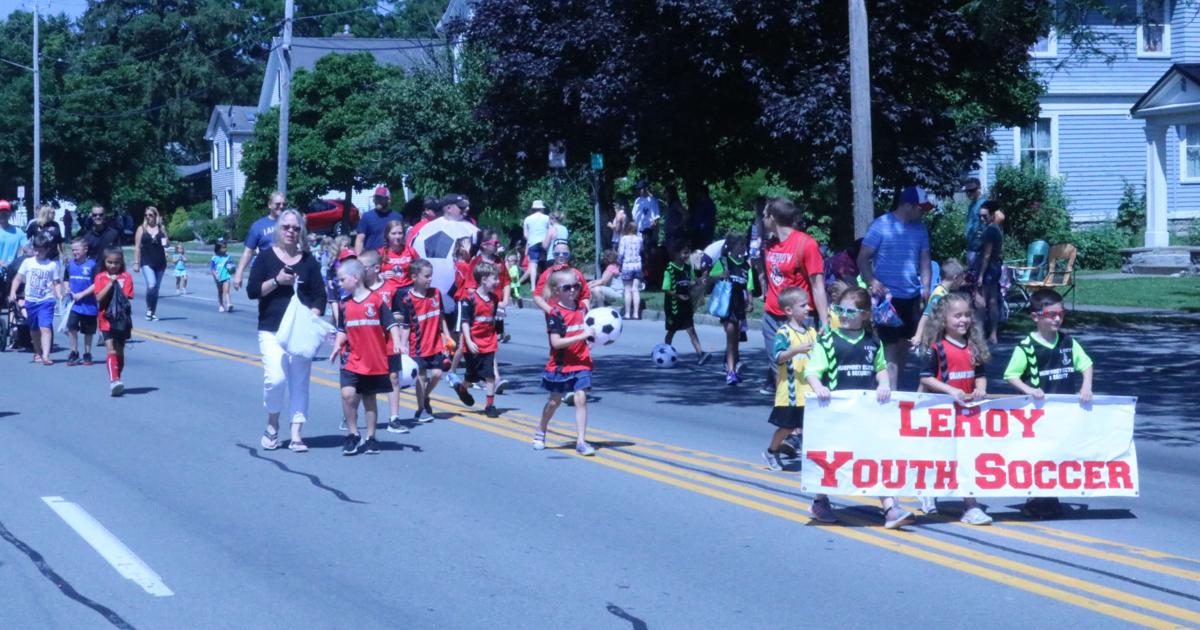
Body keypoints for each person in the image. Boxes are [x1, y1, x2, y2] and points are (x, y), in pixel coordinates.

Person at [806, 287, 911, 527]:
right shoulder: (828, 341)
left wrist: (884, 383)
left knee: (874, 455)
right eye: (840, 310)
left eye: (850, 311)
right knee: (833, 458)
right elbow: (812, 371)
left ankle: (890, 507)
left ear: (864, 315)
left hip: (865, 411)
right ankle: (820, 501)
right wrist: (818, 387)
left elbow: (880, 368)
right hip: (835, 412)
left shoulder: (872, 342)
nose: (843, 315)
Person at [1004, 288, 1095, 519]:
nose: (1057, 319)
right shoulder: (1026, 347)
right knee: (1040, 455)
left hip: (1064, 412)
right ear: (1036, 317)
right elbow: (1011, 375)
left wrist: (1086, 386)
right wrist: (1029, 390)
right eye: (1051, 314)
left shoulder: (1067, 342)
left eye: (1061, 314)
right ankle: (1035, 498)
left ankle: (1051, 496)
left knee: (1059, 453)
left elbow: (1086, 364)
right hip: (1037, 415)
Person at [246, 209, 326, 453]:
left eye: (296, 228)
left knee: (300, 383)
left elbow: (320, 295)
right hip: (272, 329)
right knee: (276, 379)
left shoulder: (308, 261)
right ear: (278, 230)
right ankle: (272, 423)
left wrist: (313, 316)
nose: (291, 231)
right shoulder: (266, 257)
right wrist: (277, 281)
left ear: (301, 231)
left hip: (300, 332)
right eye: (286, 227)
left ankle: (296, 433)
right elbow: (252, 291)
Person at [918, 292, 993, 525]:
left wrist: (980, 388)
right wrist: (950, 390)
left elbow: (980, 374)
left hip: (967, 413)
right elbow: (926, 377)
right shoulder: (936, 348)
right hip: (941, 411)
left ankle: (971, 506)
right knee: (939, 456)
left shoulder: (974, 346)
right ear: (943, 319)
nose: (963, 320)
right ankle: (928, 491)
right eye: (957, 316)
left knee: (967, 458)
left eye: (967, 315)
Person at [857, 185, 933, 389]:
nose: (923, 213)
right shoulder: (881, 225)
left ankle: (893, 386)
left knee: (904, 344)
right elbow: (863, 258)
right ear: (908, 206)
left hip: (911, 295)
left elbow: (925, 259)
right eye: (921, 208)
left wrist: (926, 287)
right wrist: (872, 281)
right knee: (889, 345)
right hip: (887, 298)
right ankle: (891, 391)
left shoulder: (920, 228)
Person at [329, 258, 401, 456]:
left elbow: (391, 323)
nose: (339, 283)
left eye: (342, 279)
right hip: (351, 358)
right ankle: (353, 434)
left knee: (369, 399)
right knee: (347, 395)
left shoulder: (376, 301)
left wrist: (397, 342)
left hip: (372, 360)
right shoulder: (344, 304)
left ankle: (370, 437)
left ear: (355, 277)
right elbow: (342, 329)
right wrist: (336, 346)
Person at [761, 197, 828, 394]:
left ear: (772, 218)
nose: (762, 220)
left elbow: (817, 285)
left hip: (800, 319)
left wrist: (824, 322)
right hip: (772, 318)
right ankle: (785, 408)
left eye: (764, 215)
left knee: (804, 372)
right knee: (779, 370)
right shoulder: (769, 245)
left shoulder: (806, 244)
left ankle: (805, 412)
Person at [533, 269, 597, 456]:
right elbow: (556, 343)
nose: (573, 290)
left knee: (581, 398)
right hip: (561, 365)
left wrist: (594, 338)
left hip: (581, 362)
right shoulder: (555, 314)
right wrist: (582, 336)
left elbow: (592, 330)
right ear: (556, 291)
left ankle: (581, 442)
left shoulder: (583, 309)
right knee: (554, 402)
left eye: (576, 286)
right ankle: (541, 428)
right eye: (567, 287)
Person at [761, 288, 816, 471]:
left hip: (808, 390)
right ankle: (771, 451)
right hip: (791, 392)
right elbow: (778, 357)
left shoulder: (811, 332)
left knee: (809, 426)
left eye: (808, 304)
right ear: (789, 310)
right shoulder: (784, 332)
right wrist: (795, 350)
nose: (808, 308)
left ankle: (812, 459)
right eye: (803, 305)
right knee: (787, 427)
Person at [396, 258, 453, 424]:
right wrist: (403, 346)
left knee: (437, 374)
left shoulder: (436, 294)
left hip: (435, 344)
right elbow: (406, 325)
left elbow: (441, 317)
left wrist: (447, 337)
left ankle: (425, 396)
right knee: (421, 377)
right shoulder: (408, 300)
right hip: (418, 346)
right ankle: (421, 409)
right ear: (414, 277)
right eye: (427, 276)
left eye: (431, 275)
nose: (430, 279)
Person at [9, 233, 63, 364]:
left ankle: (46, 355)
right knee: (34, 329)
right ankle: (38, 352)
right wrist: (12, 292)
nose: (38, 252)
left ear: (47, 249)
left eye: (41, 250)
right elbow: (18, 278)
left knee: (45, 327)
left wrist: (59, 294)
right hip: (31, 301)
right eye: (36, 249)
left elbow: (56, 282)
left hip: (46, 300)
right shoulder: (27, 262)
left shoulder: (51, 265)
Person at [710, 232, 754, 385]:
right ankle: (730, 371)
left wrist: (750, 302)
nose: (744, 247)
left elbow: (749, 286)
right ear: (733, 246)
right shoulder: (723, 262)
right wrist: (720, 275)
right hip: (727, 304)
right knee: (730, 338)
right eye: (741, 244)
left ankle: (732, 367)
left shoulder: (746, 266)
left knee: (736, 339)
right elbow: (709, 278)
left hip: (739, 305)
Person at [461, 262, 502, 418]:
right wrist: (469, 341)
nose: (498, 281)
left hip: (489, 342)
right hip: (473, 343)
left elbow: (494, 319)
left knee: (489, 374)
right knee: (472, 376)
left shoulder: (494, 299)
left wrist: (498, 332)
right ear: (483, 279)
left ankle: (490, 405)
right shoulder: (469, 299)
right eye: (494, 278)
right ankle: (463, 388)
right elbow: (465, 322)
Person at [94, 248, 133, 395]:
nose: (113, 265)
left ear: (121, 263)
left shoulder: (126, 277)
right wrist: (110, 284)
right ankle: (114, 380)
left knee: (119, 352)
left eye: (116, 263)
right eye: (109, 262)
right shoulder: (100, 277)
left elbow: (126, 297)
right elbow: (98, 298)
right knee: (110, 349)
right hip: (105, 318)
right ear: (104, 262)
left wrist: (118, 283)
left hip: (121, 319)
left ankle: (117, 376)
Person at [663, 245, 711, 364]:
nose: (687, 256)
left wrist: (699, 281)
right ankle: (665, 352)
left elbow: (691, 282)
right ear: (676, 254)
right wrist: (678, 295)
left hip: (686, 305)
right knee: (671, 331)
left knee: (691, 330)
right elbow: (666, 289)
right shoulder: (669, 269)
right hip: (673, 306)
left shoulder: (688, 268)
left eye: (688, 253)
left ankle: (700, 354)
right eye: (684, 253)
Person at [233, 191, 285, 291]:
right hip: (266, 274)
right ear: (270, 205)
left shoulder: (290, 223)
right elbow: (248, 252)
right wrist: (239, 273)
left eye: (283, 204)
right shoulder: (258, 226)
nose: (281, 206)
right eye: (278, 204)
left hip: (286, 272)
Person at [910, 258, 966, 348]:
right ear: (955, 278)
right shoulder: (939, 295)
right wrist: (918, 336)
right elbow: (926, 315)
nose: (962, 282)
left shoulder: (945, 292)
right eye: (961, 279)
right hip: (933, 337)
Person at [64, 238, 98, 366]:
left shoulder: (92, 265)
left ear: (85, 249)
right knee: (72, 326)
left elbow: (96, 284)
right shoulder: (70, 264)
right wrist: (67, 288)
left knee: (88, 330)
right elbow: (66, 279)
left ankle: (87, 353)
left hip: (89, 305)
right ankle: (74, 351)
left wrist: (82, 294)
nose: (74, 252)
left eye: (77, 249)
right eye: (73, 250)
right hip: (74, 304)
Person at [133, 206, 170, 321]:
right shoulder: (141, 229)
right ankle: (149, 309)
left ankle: (152, 312)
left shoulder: (161, 228)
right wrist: (136, 262)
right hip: (146, 261)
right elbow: (137, 247)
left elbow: (167, 244)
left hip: (160, 261)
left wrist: (165, 237)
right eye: (146, 215)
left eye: (150, 215)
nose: (148, 217)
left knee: (156, 289)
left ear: (155, 216)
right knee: (152, 285)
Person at [533, 242, 591, 314]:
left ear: (569, 255)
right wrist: (550, 311)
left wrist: (586, 313)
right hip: (555, 315)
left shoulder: (576, 274)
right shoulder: (547, 274)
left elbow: (585, 296)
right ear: (553, 255)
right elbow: (537, 296)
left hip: (575, 314)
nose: (561, 256)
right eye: (557, 254)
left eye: (565, 254)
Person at [977, 200, 1004, 344]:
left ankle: (980, 333)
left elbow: (986, 255)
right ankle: (993, 334)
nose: (982, 219)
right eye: (980, 216)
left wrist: (980, 275)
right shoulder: (996, 229)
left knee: (982, 302)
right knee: (993, 300)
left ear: (993, 215)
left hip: (988, 269)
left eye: (985, 216)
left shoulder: (989, 231)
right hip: (996, 267)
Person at [355, 186, 399, 254]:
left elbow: (402, 238)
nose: (377, 201)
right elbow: (359, 240)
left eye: (380, 198)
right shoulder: (367, 217)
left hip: (392, 256)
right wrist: (358, 257)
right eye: (376, 198)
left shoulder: (397, 217)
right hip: (372, 257)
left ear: (388, 200)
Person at [522, 200, 551, 294]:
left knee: (533, 266)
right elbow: (550, 230)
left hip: (533, 243)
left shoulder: (527, 219)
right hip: (544, 242)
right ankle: (546, 285)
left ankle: (533, 287)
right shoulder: (547, 218)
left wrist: (530, 239)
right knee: (546, 265)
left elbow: (525, 234)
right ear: (542, 209)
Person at [617, 223, 643, 319]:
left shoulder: (624, 239)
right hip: (637, 266)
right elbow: (641, 250)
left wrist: (618, 263)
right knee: (635, 289)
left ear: (627, 229)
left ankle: (627, 314)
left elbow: (621, 253)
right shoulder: (640, 239)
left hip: (627, 266)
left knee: (627, 290)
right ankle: (636, 314)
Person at [962, 178, 986, 271]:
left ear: (979, 188)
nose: (969, 193)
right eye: (967, 191)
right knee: (971, 275)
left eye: (972, 190)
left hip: (980, 249)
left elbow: (996, 219)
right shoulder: (972, 204)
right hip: (971, 247)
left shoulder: (984, 203)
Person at [0, 200, 30, 272]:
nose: (3, 214)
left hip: (11, 272)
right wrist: (2, 263)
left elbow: (28, 249)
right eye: (1, 211)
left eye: (6, 211)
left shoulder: (18, 232)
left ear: (10, 213)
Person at [211, 241, 233, 312]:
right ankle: (221, 305)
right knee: (220, 291)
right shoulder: (214, 258)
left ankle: (229, 304)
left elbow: (231, 267)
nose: (225, 249)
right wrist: (216, 276)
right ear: (218, 249)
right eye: (223, 248)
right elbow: (213, 269)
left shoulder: (228, 257)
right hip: (218, 277)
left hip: (226, 276)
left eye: (225, 247)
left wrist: (232, 268)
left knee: (227, 290)